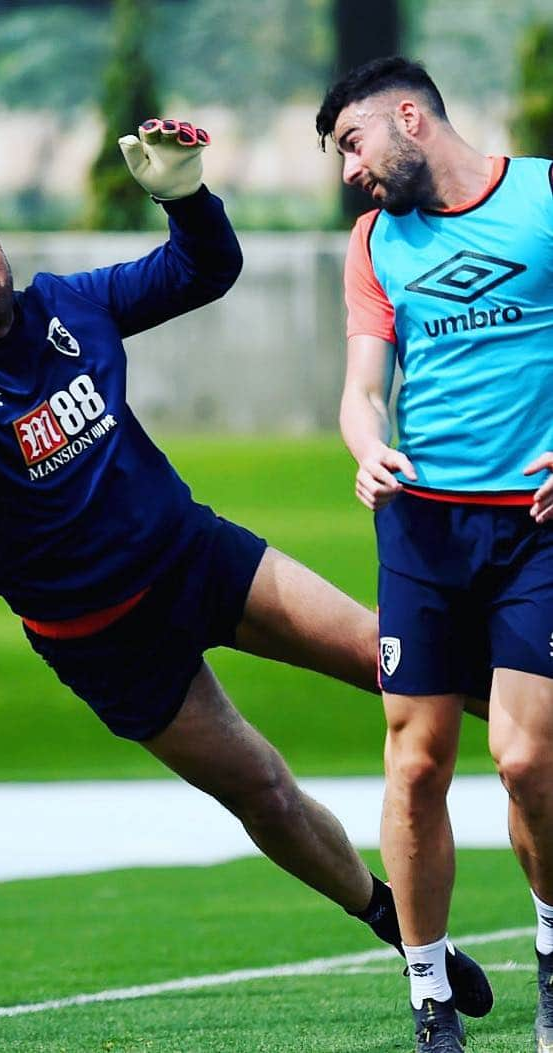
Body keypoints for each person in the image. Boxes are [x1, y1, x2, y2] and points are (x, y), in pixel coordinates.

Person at [0, 116, 493, 1030]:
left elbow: (203, 271)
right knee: (263, 789)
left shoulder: (68, 305)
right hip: (102, 638)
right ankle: (392, 921)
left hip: (196, 557)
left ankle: (537, 748)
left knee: (390, 652)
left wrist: (186, 199)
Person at [316, 55, 553, 1052]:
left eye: (351, 144)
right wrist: (367, 448)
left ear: (408, 118)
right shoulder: (374, 242)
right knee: (416, 768)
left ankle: (550, 951)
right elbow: (362, 389)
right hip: (420, 526)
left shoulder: (545, 197)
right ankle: (429, 994)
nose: (346, 173)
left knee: (527, 757)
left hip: (536, 526)